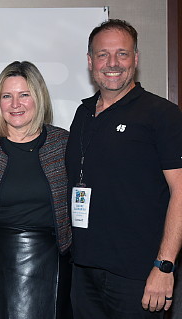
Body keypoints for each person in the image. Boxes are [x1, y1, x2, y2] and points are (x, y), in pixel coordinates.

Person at [66, 19, 182, 318]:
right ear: (91, 61)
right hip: (84, 271)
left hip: (139, 275)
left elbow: (180, 192)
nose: (112, 63)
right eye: (103, 54)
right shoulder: (83, 114)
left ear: (136, 58)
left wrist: (164, 265)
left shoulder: (162, 115)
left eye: (122, 53)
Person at [0, 61, 72, 319]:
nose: (15, 104)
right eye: (7, 96)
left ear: (39, 98)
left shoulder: (63, 143)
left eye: (24, 94)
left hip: (51, 263)